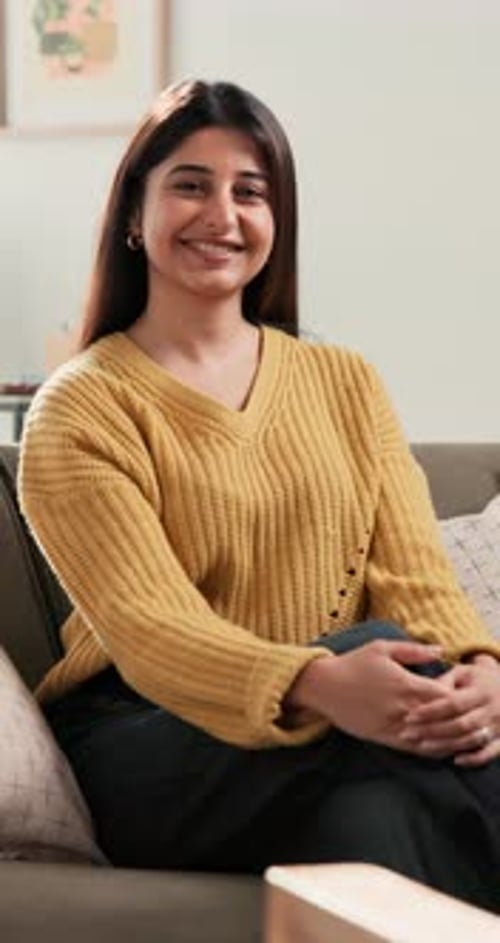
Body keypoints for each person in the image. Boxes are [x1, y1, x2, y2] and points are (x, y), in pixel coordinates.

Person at [19, 79, 500, 910]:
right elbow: (151, 628)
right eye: (190, 185)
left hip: (351, 732)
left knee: (372, 821)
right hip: (149, 740)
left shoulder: (346, 383)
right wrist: (316, 679)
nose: (223, 215)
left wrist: (479, 672)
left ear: (278, 223)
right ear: (135, 214)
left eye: (251, 191)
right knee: (379, 647)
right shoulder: (81, 405)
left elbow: (418, 577)